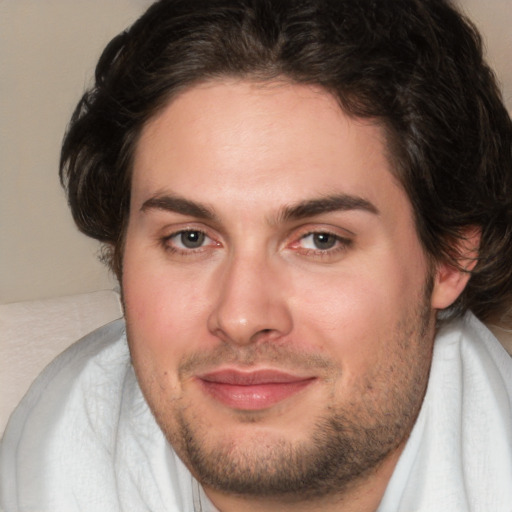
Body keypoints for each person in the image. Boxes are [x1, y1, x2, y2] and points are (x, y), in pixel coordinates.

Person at [1, 0, 512, 510]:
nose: (241, 317)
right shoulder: (38, 462)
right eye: (190, 238)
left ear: (450, 258)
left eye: (320, 240)